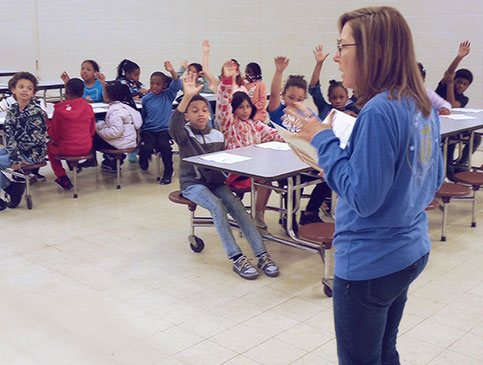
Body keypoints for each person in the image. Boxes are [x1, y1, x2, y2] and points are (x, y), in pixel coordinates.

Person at [285, 7, 443, 363]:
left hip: (372, 262)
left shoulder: (378, 111)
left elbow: (363, 198)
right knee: (385, 351)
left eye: (343, 47)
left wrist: (324, 141)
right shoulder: (421, 104)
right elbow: (430, 180)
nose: (337, 58)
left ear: (378, 50)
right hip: (410, 249)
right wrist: (347, 165)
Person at [169, 71, 279, 280]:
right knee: (217, 206)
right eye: (194, 111)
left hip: (216, 182)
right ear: (187, 115)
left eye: (203, 110)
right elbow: (173, 126)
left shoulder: (217, 134)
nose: (200, 114)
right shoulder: (184, 134)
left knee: (239, 208)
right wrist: (186, 97)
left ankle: (262, 254)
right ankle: (237, 257)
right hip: (193, 184)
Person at [216, 60, 283, 231]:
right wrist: (227, 81)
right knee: (264, 180)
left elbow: (274, 134)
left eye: (247, 107)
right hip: (236, 171)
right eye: (240, 107)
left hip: (255, 169)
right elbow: (223, 105)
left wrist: (295, 138)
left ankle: (258, 215)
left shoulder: (255, 124)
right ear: (233, 110)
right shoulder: (229, 124)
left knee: (266, 180)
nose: (245, 110)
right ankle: (248, 215)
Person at [0, 72, 47, 210]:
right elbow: (8, 135)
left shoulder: (35, 112)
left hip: (32, 154)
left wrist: (16, 158)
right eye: (21, 87)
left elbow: (33, 141)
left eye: (29, 88)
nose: (25, 90)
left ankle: (11, 188)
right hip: (16, 151)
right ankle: (12, 188)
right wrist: (15, 157)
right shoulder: (12, 109)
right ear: (13, 89)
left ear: (33, 93)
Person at [47, 78, 96, 190]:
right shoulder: (88, 107)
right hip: (86, 147)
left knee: (49, 147)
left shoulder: (59, 110)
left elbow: (54, 134)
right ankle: (74, 165)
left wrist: (47, 124)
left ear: (66, 92)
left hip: (66, 148)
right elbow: (92, 131)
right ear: (83, 92)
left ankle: (62, 176)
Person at [84, 82, 142, 172]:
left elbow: (115, 132)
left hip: (121, 143)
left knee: (93, 134)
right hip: (129, 141)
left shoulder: (116, 111)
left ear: (110, 96)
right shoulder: (125, 107)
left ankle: (93, 159)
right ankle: (109, 161)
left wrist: (100, 128)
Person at [139, 62, 181, 184]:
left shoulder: (168, 95)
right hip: (149, 130)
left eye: (158, 84)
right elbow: (144, 115)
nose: (154, 86)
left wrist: (172, 71)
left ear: (164, 85)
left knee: (165, 147)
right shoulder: (146, 98)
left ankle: (168, 171)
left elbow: (177, 83)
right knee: (147, 146)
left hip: (164, 130)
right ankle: (143, 160)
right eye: (152, 83)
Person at [308, 44, 359, 120]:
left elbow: (360, 89)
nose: (338, 101)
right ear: (329, 99)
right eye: (334, 98)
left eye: (341, 97)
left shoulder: (353, 108)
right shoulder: (324, 108)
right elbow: (314, 88)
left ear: (347, 97)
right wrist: (319, 64)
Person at [435, 41, 472, 109]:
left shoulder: (463, 99)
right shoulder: (444, 86)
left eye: (465, 84)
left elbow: (451, 106)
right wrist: (459, 57)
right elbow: (449, 72)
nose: (461, 86)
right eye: (459, 82)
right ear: (454, 79)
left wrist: (450, 82)